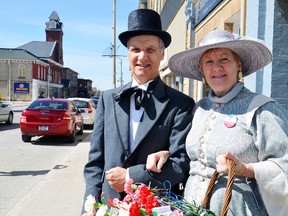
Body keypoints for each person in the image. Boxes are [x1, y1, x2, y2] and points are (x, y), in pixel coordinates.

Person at [147, 29, 288, 215]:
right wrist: (167, 153)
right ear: (202, 70)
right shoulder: (200, 108)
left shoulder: (262, 109)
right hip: (192, 208)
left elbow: (285, 164)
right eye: (209, 62)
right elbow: (197, 154)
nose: (217, 68)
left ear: (239, 64)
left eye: (224, 59)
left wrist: (246, 169)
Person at [81, 9, 195, 215]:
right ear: (128, 53)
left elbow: (181, 164)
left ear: (162, 53)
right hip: (109, 207)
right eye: (135, 49)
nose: (142, 57)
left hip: (155, 208)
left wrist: (131, 176)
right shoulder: (108, 99)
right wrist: (88, 206)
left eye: (150, 49)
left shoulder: (181, 104)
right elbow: (95, 163)